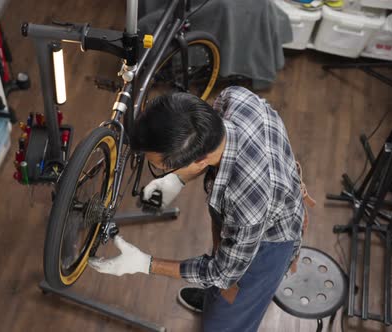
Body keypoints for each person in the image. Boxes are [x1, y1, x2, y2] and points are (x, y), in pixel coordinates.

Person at [88, 86, 305, 332]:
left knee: (223, 323)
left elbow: (224, 273)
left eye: (161, 169)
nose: (161, 174)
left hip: (269, 244)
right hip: (260, 207)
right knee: (219, 274)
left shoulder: (246, 199)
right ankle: (213, 298)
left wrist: (145, 263)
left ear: (200, 161)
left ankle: (223, 313)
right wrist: (178, 179)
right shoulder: (236, 97)